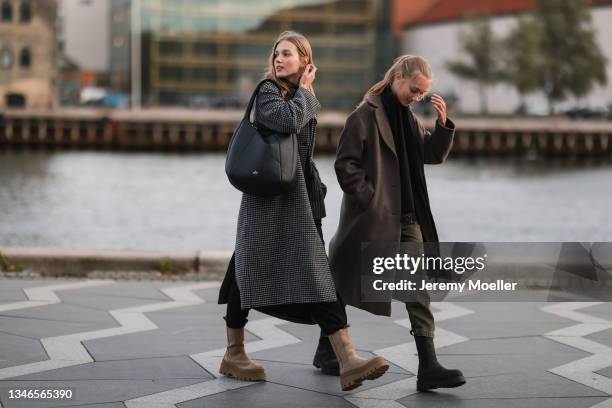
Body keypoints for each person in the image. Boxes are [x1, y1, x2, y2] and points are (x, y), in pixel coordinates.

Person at [217, 31, 389, 392]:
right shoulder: (268, 92)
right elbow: (285, 122)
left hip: (297, 202)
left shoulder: (296, 97)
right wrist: (308, 93)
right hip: (268, 202)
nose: (279, 60)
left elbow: (299, 147)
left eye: (287, 55)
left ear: (304, 60)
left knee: (302, 273)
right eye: (277, 54)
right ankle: (237, 353)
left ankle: (346, 360)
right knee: (250, 271)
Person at [324, 55, 466, 391]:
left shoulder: (408, 117)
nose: (417, 97)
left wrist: (442, 125)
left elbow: (429, 155)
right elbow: (346, 165)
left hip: (408, 219)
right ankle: (326, 350)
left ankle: (428, 366)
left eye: (422, 93)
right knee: (344, 283)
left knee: (416, 289)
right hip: (372, 219)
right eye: (414, 90)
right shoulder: (364, 116)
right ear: (398, 77)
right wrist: (370, 200)